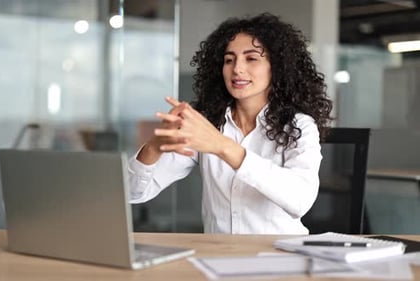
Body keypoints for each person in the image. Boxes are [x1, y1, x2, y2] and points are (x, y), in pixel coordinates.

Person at [128, 13, 333, 234]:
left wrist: (223, 147)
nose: (237, 69)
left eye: (251, 58)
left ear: (277, 67)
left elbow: (300, 200)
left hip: (280, 255)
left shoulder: (299, 125)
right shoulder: (209, 122)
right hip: (217, 256)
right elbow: (133, 193)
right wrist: (154, 147)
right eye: (229, 59)